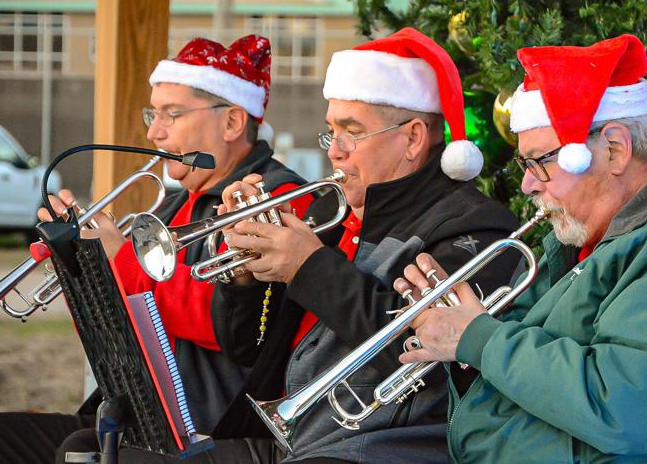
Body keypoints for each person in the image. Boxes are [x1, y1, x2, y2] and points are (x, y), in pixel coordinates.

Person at [395, 34, 647, 463]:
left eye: (540, 161)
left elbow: (622, 409)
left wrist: (479, 339)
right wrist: (458, 324)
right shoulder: (593, 237)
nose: (527, 184)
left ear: (615, 149)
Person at [0, 35, 313, 463]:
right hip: (137, 416)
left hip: (205, 429)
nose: (153, 132)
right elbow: (116, 336)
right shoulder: (173, 204)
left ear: (233, 122)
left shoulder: (279, 199)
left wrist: (121, 260)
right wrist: (80, 265)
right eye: (153, 113)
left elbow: (229, 326)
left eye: (172, 114)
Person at [211, 27, 523, 463]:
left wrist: (308, 266)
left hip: (381, 448)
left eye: (351, 132)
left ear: (413, 137)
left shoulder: (476, 226)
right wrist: (245, 278)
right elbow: (247, 349)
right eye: (331, 132)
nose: (334, 152)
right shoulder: (328, 210)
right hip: (289, 439)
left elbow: (422, 353)